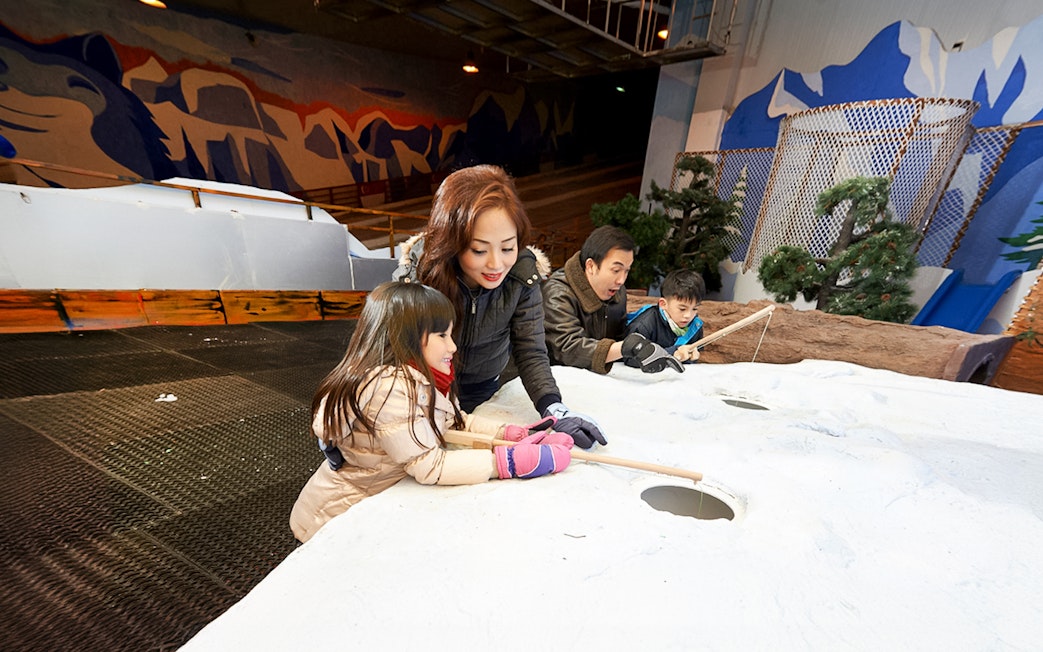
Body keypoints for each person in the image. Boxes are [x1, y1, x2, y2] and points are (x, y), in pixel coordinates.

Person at [290, 282, 574, 544]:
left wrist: (512, 435)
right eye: (441, 335)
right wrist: (509, 462)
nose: (452, 346)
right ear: (404, 337)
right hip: (340, 516)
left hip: (382, 497)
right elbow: (429, 466)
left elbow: (453, 421)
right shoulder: (388, 389)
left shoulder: (423, 376)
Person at [393, 164, 607, 449]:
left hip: (484, 386)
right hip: (421, 390)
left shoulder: (522, 276)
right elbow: (387, 349)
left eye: (508, 248)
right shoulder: (419, 277)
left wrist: (553, 408)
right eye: (479, 250)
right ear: (451, 242)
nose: (496, 264)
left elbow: (531, 350)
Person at [543, 225, 683, 374]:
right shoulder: (558, 293)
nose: (621, 280)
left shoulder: (617, 293)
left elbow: (621, 338)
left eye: (626, 271)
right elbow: (568, 348)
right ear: (590, 266)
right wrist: (626, 347)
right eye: (616, 270)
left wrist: (670, 349)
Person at [624, 268, 706, 366]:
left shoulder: (695, 325)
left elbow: (695, 354)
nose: (688, 316)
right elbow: (629, 359)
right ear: (663, 304)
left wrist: (691, 357)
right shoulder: (644, 324)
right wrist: (673, 353)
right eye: (682, 309)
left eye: (695, 309)